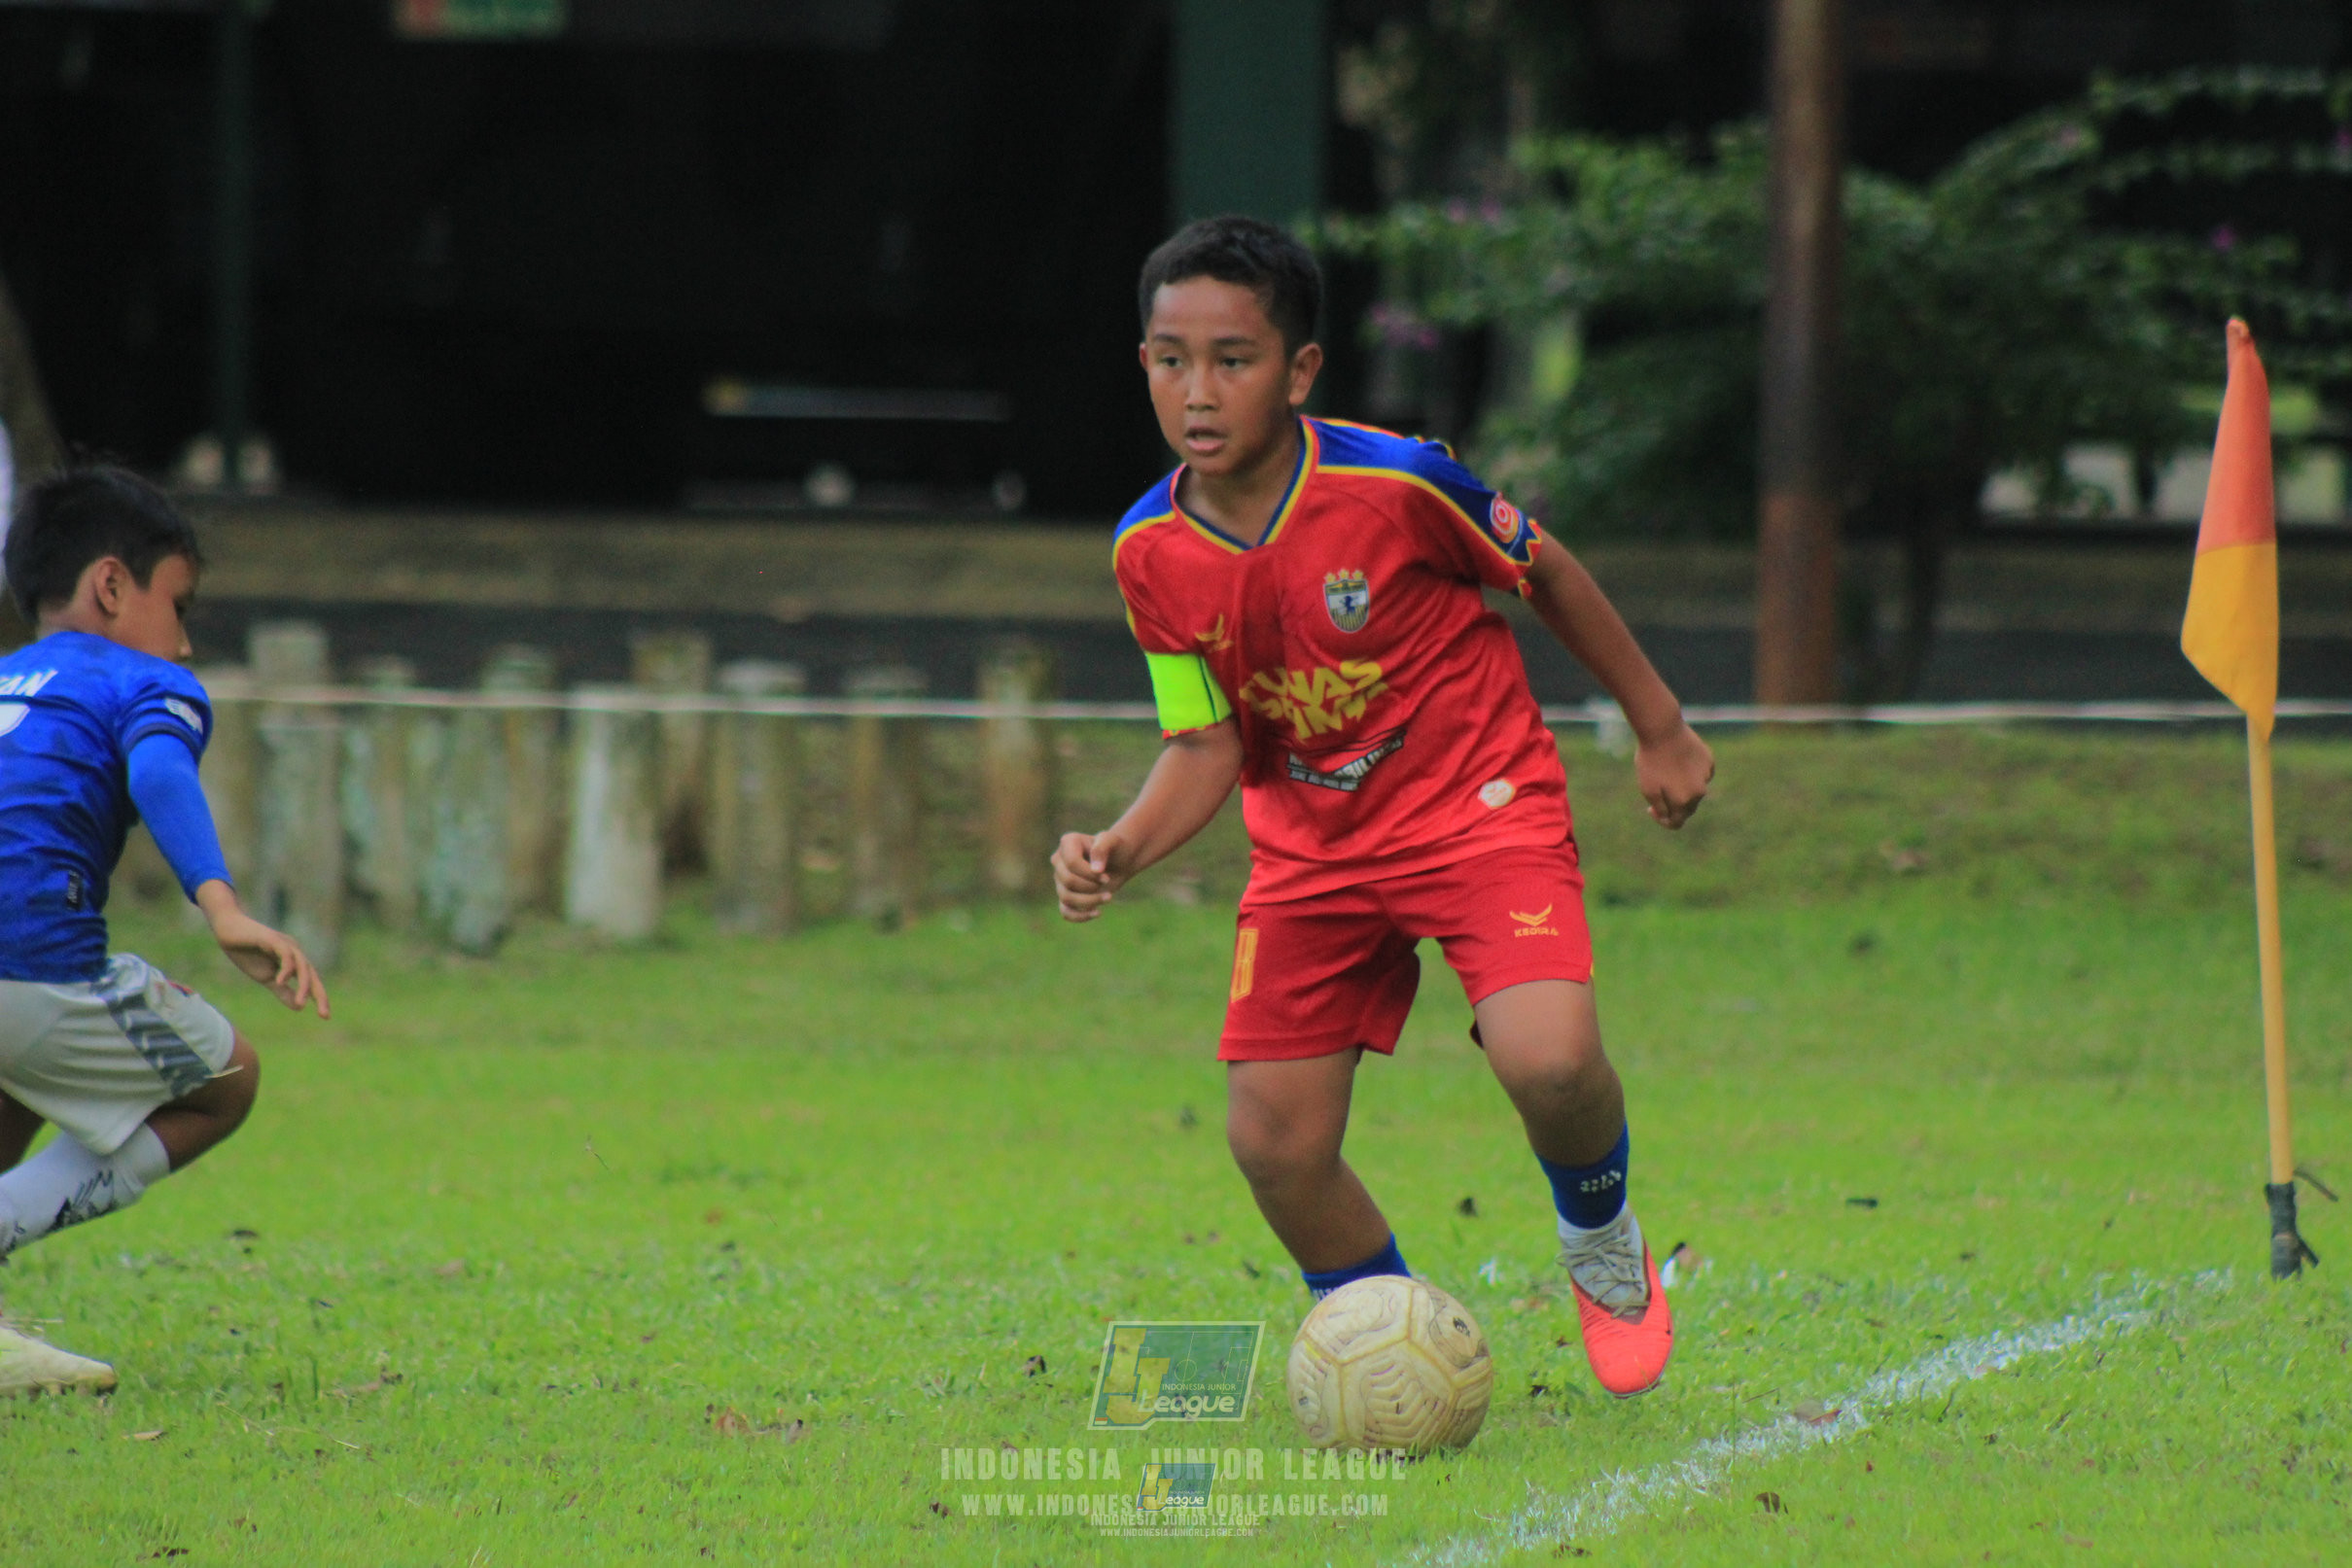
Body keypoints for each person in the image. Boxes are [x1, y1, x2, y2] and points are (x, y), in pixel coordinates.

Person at [1053, 217, 1713, 1398]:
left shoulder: (1396, 482)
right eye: (1167, 359)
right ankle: (1390, 1348)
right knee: (1273, 1143)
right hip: (1312, 852)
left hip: (1478, 806)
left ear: (1299, 370)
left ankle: (1604, 1246)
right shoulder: (1147, 550)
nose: (1196, 391)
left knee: (1551, 1062)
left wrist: (1658, 725)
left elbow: (1546, 570)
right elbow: (1203, 740)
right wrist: (1120, 845)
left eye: (1232, 359)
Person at [0, 466, 329, 1396]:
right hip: (30, 966)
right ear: (113, 585)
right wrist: (221, 904)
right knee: (226, 1082)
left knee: (21, 1082)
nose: (183, 638)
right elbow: (159, 776)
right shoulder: (144, 679)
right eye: (178, 604)